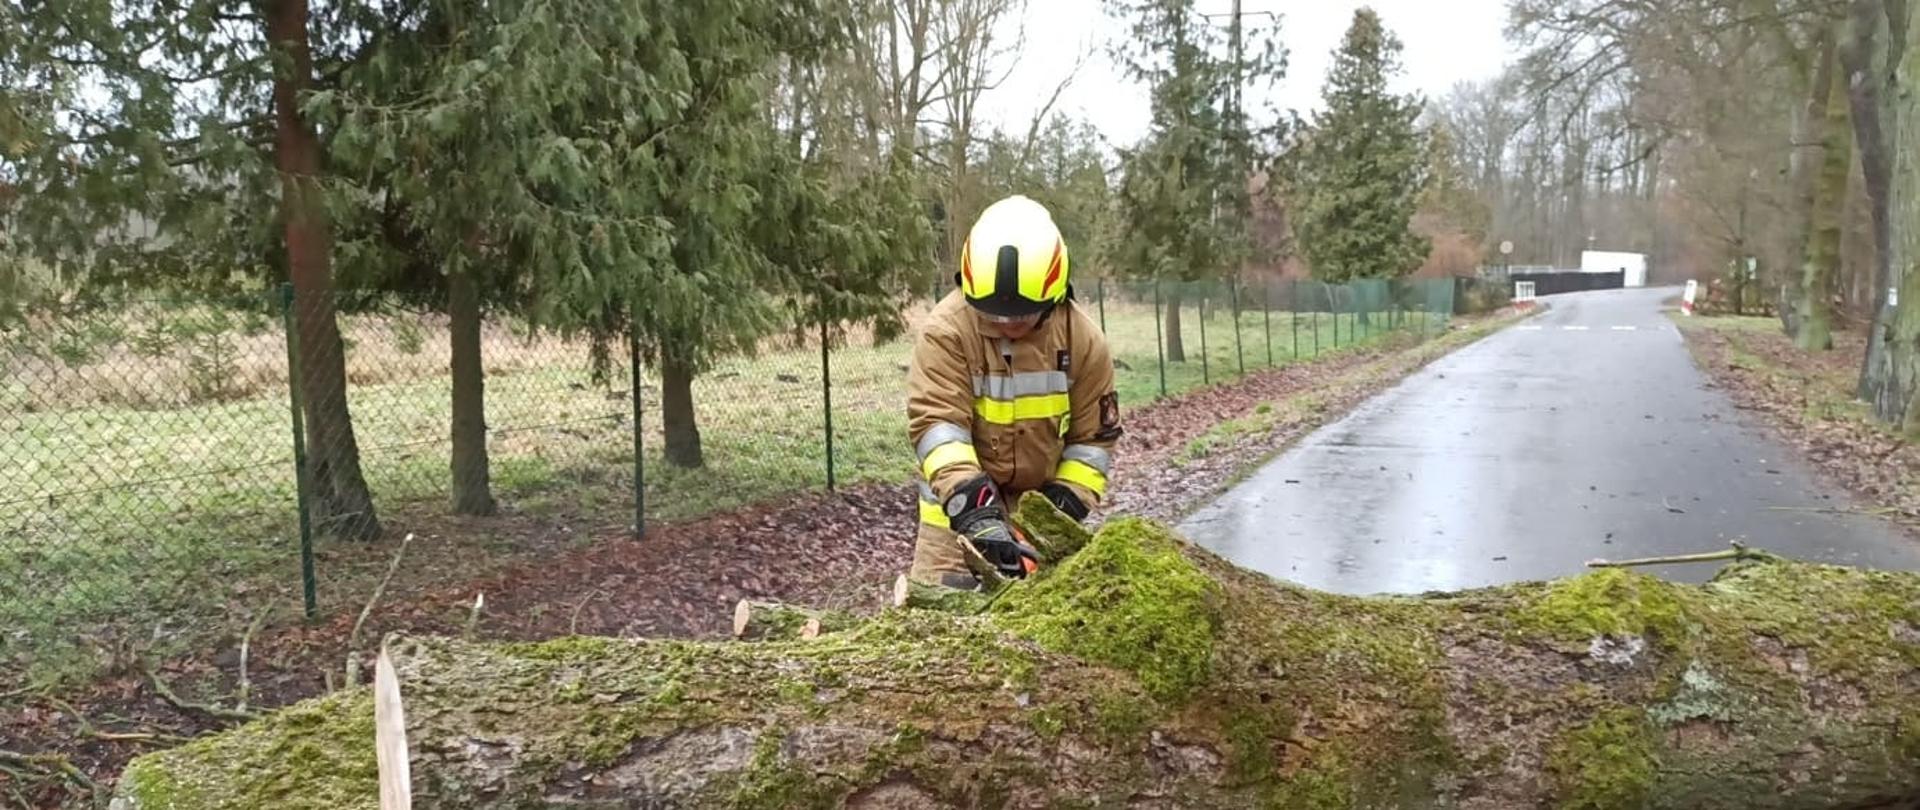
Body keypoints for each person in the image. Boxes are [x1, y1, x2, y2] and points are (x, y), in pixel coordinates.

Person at [906, 194, 1122, 590]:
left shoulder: (1083, 341)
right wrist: (976, 514)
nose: (1006, 322)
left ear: (1053, 295)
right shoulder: (947, 331)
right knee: (942, 634)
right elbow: (938, 427)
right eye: (993, 313)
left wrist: (1056, 513)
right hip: (953, 526)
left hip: (1039, 522)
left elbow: (1092, 445)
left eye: (1020, 314)